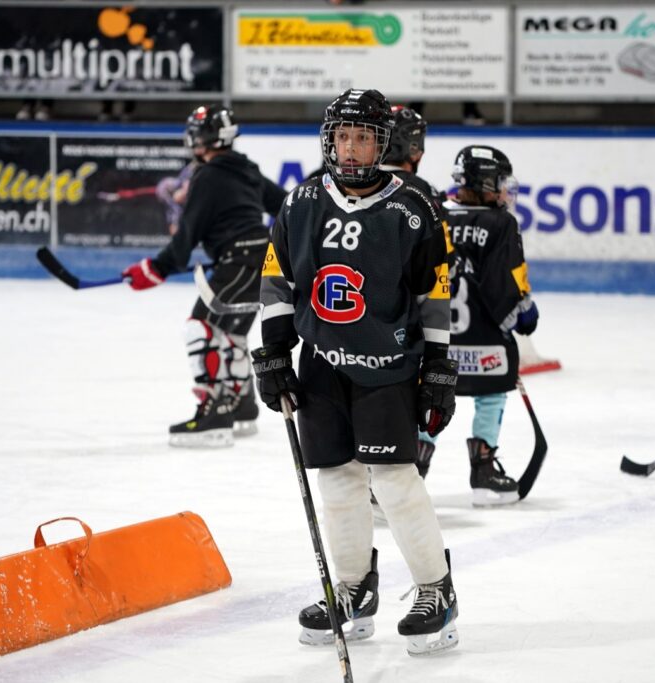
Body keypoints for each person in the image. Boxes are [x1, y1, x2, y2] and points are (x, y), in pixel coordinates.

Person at [251, 88, 460, 656]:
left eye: (363, 137)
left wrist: (439, 366)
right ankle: (353, 590)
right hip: (322, 365)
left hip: (388, 366)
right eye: (342, 136)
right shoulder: (301, 202)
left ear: (381, 143)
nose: (350, 148)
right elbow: (277, 281)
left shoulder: (414, 207)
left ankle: (436, 591)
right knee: (337, 479)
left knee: (393, 478)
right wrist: (274, 352)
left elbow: (434, 293)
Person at [122, 105, 286, 447]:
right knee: (230, 331)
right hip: (266, 261)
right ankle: (240, 404)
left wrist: (157, 267)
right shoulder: (247, 170)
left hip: (240, 262)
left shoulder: (207, 175)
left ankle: (214, 413)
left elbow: (187, 234)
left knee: (201, 327)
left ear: (203, 138)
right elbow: (287, 208)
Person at [417, 145, 538, 506]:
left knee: (430, 397)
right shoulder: (501, 223)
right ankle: (484, 474)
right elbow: (508, 285)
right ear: (484, 182)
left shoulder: (434, 212)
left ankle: (411, 471)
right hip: (486, 342)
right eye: (499, 181)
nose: (504, 189)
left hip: (437, 342)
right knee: (491, 395)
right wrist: (526, 316)